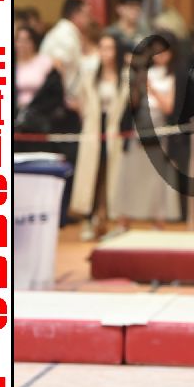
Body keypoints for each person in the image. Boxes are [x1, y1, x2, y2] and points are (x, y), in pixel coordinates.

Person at [114, 32, 182, 228]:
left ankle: (158, 219)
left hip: (160, 130)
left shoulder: (174, 75)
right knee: (131, 174)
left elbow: (168, 106)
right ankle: (125, 219)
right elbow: (132, 103)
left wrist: (151, 87)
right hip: (138, 127)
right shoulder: (144, 72)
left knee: (157, 177)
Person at [70, 32, 131, 240]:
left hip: (115, 132)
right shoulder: (90, 75)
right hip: (93, 131)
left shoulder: (125, 77)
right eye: (102, 48)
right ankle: (89, 219)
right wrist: (87, 118)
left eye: (110, 48)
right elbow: (79, 100)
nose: (106, 53)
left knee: (112, 176)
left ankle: (109, 219)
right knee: (92, 176)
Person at [39, 0, 91, 107]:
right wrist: (63, 98)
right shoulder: (64, 35)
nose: (89, 19)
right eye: (87, 15)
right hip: (60, 99)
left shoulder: (68, 32)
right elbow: (58, 65)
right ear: (76, 15)